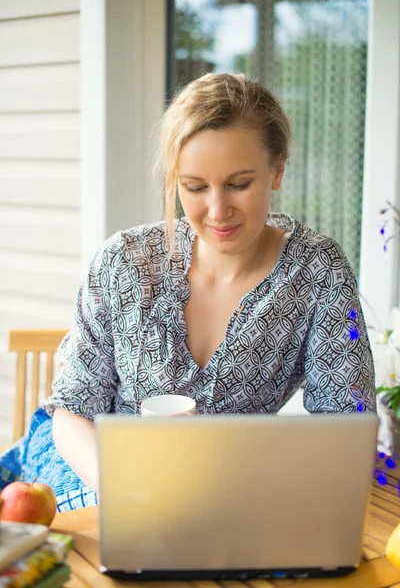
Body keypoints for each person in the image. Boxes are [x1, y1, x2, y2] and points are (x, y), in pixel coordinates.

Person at [0, 73, 376, 511]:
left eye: (238, 184)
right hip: (92, 470)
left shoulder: (317, 272)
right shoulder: (124, 261)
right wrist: (126, 489)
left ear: (278, 170)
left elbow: (348, 426)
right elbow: (70, 412)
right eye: (195, 187)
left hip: (221, 497)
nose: (217, 211)